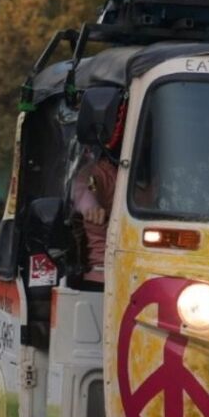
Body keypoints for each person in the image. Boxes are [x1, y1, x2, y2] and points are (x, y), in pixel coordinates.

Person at [70, 101, 126, 286]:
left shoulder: (158, 175)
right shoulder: (97, 173)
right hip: (102, 277)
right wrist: (92, 207)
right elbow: (86, 190)